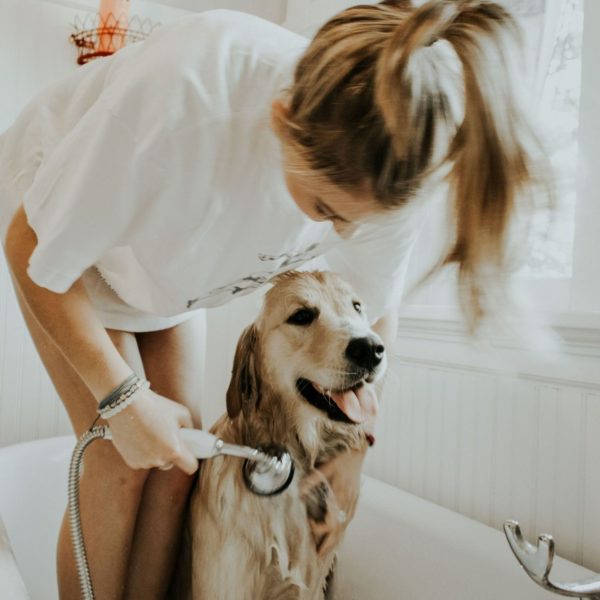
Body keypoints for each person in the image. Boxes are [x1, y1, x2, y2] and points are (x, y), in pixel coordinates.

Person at [0, 1, 544, 598]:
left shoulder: (388, 158)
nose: (341, 236)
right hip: (61, 235)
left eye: (356, 223)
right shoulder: (188, 94)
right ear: (282, 120)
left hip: (173, 265)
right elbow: (30, 247)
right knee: (119, 463)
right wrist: (122, 400)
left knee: (178, 472)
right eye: (326, 211)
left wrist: (354, 451)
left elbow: (377, 311)